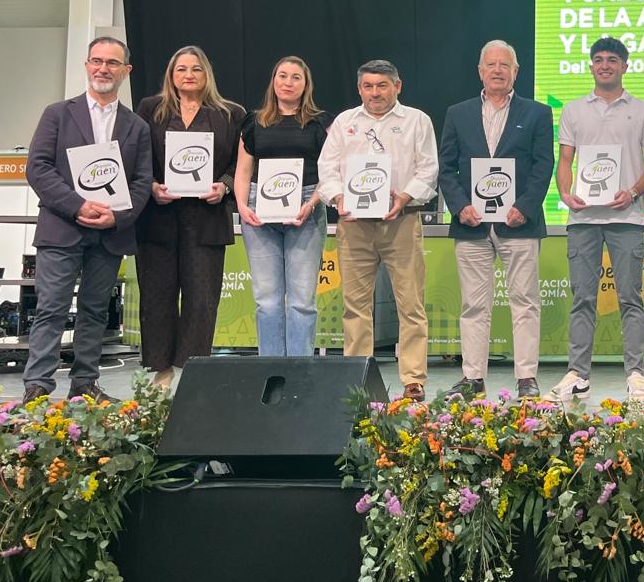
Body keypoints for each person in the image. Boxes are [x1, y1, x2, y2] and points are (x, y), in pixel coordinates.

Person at [21, 38, 152, 403]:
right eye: (97, 61)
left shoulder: (137, 127)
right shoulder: (57, 114)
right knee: (51, 308)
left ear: (126, 71)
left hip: (109, 235)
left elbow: (142, 182)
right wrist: (77, 206)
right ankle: (37, 386)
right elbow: (38, 168)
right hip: (62, 228)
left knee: (95, 312)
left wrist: (117, 216)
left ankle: (85, 384)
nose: (103, 69)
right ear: (86, 65)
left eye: (112, 63)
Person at [316, 59, 439, 401]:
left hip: (401, 221)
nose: (375, 93)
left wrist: (405, 196)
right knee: (355, 306)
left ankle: (413, 380)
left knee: (410, 303)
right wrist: (339, 197)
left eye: (382, 85)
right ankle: (358, 376)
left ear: (397, 86)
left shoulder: (417, 120)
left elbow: (429, 169)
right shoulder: (345, 122)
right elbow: (327, 168)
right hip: (354, 225)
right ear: (359, 89)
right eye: (368, 86)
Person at [438, 40, 554, 399]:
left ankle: (526, 377)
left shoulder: (537, 113)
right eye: (491, 64)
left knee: (525, 301)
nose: (498, 70)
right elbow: (446, 168)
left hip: (519, 223)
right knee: (474, 304)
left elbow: (543, 165)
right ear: (480, 71)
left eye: (505, 64)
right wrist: (460, 206)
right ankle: (473, 378)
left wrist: (525, 207)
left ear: (516, 71)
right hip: (471, 224)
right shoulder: (458, 113)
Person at [552, 37, 644, 403]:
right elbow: (565, 161)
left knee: (630, 298)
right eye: (598, 59)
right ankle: (577, 374)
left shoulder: (643, 110)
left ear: (624, 66)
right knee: (582, 298)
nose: (604, 65)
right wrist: (565, 193)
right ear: (591, 66)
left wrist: (632, 192)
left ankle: (635, 375)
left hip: (626, 217)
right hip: (583, 218)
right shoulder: (573, 110)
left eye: (612, 60)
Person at [135, 46, 247, 387]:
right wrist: (151, 186)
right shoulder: (150, 109)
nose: (188, 75)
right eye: (181, 69)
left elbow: (241, 164)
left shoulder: (231, 113)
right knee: (157, 296)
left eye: (196, 69)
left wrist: (224, 186)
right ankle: (162, 370)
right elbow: (136, 156)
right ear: (171, 75)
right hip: (159, 216)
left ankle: (192, 370)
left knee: (202, 299)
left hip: (207, 217)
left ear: (206, 73)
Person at [234, 56, 332, 358]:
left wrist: (312, 203)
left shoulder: (321, 122)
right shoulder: (253, 121)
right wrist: (242, 206)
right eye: (282, 76)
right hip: (259, 212)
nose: (288, 82)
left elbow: (331, 172)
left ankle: (300, 369)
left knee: (302, 301)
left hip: (306, 209)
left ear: (306, 84)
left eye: (295, 77)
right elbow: (243, 170)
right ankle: (272, 367)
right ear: (273, 81)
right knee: (267, 300)